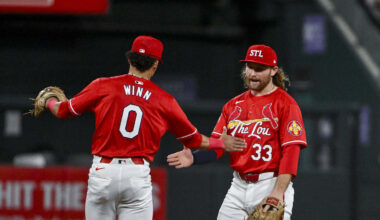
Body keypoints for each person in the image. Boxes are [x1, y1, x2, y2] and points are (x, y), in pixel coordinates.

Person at [38, 35, 246, 220]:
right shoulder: (165, 100)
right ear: (155, 65)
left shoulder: (103, 85)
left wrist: (50, 101)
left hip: (103, 171)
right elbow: (194, 140)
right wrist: (221, 142)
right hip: (136, 175)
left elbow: (62, 111)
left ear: (129, 59)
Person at [167, 44, 307, 220]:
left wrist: (278, 192)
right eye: (250, 67)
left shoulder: (286, 104)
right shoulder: (233, 106)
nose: (252, 73)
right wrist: (195, 157)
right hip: (238, 186)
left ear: (273, 71)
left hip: (271, 182)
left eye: (259, 68)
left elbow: (291, 151)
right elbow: (219, 146)